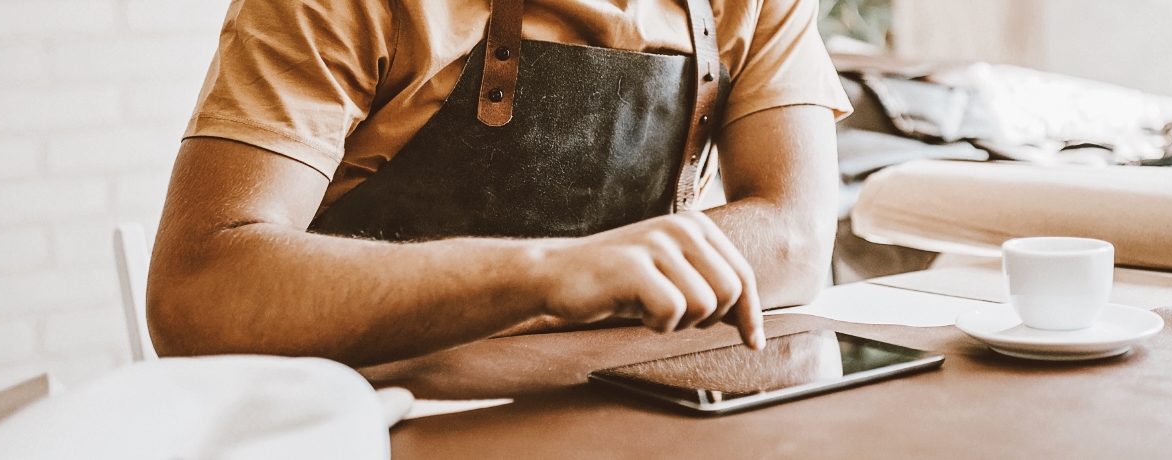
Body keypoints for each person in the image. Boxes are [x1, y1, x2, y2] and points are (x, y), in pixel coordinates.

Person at [147, 0, 851, 367]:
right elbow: (196, 292)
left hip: (618, 408)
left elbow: (795, 237)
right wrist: (543, 273)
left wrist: (589, 279)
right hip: (381, 420)